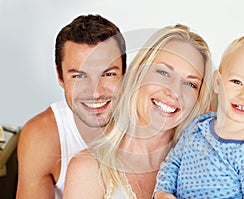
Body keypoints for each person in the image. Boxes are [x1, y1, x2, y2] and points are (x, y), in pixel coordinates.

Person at [63, 24, 213, 199]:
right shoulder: (89, 169)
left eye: (190, 84)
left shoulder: (204, 173)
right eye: (163, 73)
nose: (175, 91)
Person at [153, 34, 244, 199]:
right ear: (217, 82)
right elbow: (173, 162)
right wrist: (162, 192)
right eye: (237, 82)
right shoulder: (198, 126)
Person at [16, 14, 126, 199]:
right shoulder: (42, 136)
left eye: (107, 74)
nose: (95, 92)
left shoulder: (150, 121)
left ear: (124, 72)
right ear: (60, 76)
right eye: (79, 76)